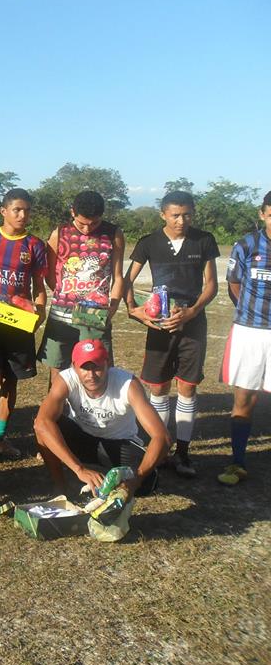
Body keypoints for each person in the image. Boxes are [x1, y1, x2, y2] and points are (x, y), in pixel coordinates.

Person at [123, 190, 218, 478]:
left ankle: (183, 453)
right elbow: (126, 280)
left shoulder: (204, 240)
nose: (181, 220)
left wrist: (192, 311)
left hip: (192, 325)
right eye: (175, 215)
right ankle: (160, 449)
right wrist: (133, 309)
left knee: (188, 388)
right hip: (161, 326)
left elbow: (211, 284)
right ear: (163, 214)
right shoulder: (149, 243)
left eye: (187, 214)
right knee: (159, 387)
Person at [0, 188, 48, 467]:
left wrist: (38, 313)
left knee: (11, 380)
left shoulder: (35, 245)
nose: (22, 215)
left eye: (27, 210)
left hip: (19, 323)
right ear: (3, 211)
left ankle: (1, 436)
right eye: (17, 209)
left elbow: (39, 286)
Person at [33, 339, 168, 497]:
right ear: (74, 366)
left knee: (147, 483)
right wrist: (79, 469)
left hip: (118, 444)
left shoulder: (128, 384)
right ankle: (61, 487)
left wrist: (136, 480)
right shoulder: (65, 379)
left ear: (108, 363)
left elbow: (162, 437)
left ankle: (103, 473)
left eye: (97, 366)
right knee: (42, 426)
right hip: (82, 437)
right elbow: (42, 423)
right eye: (84, 367)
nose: (91, 375)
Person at [38, 190, 125, 381]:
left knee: (97, 369)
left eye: (94, 223)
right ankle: (59, 411)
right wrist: (67, 295)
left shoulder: (114, 234)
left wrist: (113, 306)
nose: (87, 229)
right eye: (82, 223)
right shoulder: (59, 233)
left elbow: (118, 277)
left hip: (96, 315)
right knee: (58, 370)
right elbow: (50, 275)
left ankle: (93, 411)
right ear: (72, 212)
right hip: (62, 314)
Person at [219, 190, 271, 486]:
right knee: (245, 397)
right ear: (263, 214)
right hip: (250, 331)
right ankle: (237, 462)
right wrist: (251, 312)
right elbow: (234, 284)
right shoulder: (247, 245)